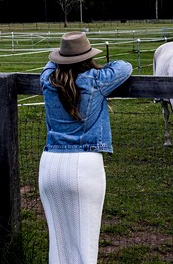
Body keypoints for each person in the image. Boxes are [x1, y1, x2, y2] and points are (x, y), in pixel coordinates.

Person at [39, 31, 133, 264]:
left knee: (58, 246)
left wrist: (62, 55)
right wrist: (93, 63)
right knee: (84, 248)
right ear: (87, 58)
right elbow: (124, 66)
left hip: (50, 164)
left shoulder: (48, 80)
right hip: (83, 165)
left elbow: (50, 64)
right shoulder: (96, 80)